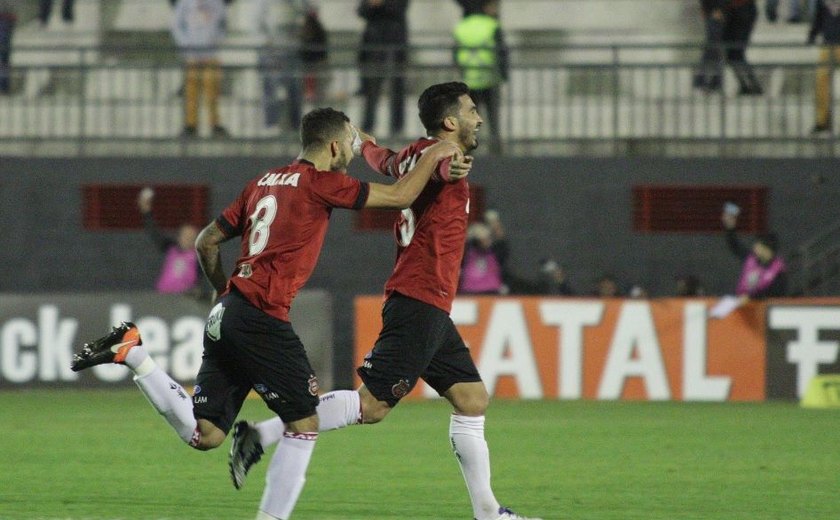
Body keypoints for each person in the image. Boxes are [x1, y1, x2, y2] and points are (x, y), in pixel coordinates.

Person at [70, 107, 466, 520]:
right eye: (349, 141)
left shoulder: (261, 182)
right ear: (333, 145)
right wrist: (436, 150)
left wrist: (223, 292)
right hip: (261, 316)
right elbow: (402, 196)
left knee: (204, 434)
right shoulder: (323, 182)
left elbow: (206, 242)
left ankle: (134, 353)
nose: (351, 147)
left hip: (228, 312)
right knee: (304, 423)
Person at [231, 82, 542, 520]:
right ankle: (259, 436)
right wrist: (446, 164)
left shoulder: (414, 154)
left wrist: (367, 144)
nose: (480, 118)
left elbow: (387, 161)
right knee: (371, 406)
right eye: (472, 111)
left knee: (472, 399)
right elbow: (439, 168)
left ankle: (489, 512)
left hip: (425, 301)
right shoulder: (442, 157)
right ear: (449, 122)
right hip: (420, 298)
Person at [453, 0, 508, 154]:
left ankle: (467, 149)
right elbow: (502, 51)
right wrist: (504, 75)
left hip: (469, 79)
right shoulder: (491, 25)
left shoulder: (462, 26)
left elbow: (456, 53)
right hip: (490, 77)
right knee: (492, 117)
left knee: (470, 118)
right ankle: (495, 148)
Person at [171, 0, 229, 138]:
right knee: (191, 90)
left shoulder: (217, 3)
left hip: (210, 54)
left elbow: (223, 25)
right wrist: (186, 46)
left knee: (212, 89)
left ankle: (214, 123)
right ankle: (191, 125)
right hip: (191, 54)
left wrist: (216, 42)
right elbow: (176, 26)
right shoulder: (184, 3)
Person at [137, 187, 202, 297]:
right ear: (179, 237)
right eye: (185, 235)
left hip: (184, 299)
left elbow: (206, 280)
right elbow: (154, 233)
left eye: (191, 236)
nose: (187, 239)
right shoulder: (171, 248)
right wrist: (147, 213)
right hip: (163, 297)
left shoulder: (199, 258)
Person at [357, 0, 409, 135]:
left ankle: (397, 128)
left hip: (395, 43)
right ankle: (367, 127)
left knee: (397, 88)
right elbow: (361, 11)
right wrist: (371, 5)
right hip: (373, 44)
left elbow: (399, 8)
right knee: (371, 89)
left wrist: (381, 4)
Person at [693, 0, 763, 96]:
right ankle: (709, 83)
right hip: (727, 10)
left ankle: (705, 83)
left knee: (731, 52)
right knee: (726, 51)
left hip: (735, 10)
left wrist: (717, 8)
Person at [721, 208, 787, 298]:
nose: (755, 248)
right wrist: (730, 228)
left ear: (767, 250)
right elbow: (735, 245)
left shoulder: (779, 271)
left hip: (764, 309)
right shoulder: (751, 258)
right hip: (743, 305)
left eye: (758, 246)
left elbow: (776, 295)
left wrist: (752, 297)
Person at [808, 0, 840, 134]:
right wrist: (812, 35)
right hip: (828, 44)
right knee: (821, 81)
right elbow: (819, 17)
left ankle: (822, 120)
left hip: (832, 43)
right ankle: (822, 120)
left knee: (822, 80)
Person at [459, 222, 508, 294]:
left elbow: (502, 241)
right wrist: (471, 233)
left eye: (487, 238)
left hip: (491, 291)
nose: (485, 241)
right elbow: (459, 247)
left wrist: (493, 221)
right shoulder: (467, 253)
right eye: (482, 239)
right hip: (470, 291)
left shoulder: (496, 253)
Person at [0, 0, 14, 95]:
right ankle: (4, 85)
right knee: (4, 55)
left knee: (4, 54)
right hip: (6, 17)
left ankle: (4, 84)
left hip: (5, 17)